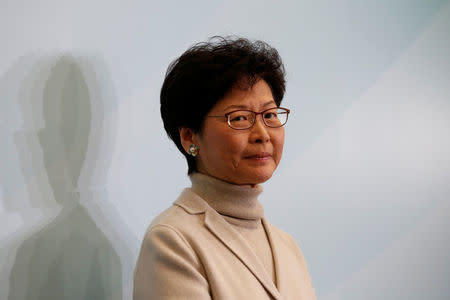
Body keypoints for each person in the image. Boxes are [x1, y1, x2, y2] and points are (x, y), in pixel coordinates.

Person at [133, 36, 317, 299]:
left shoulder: (288, 247)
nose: (262, 134)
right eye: (240, 118)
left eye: (269, 115)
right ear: (190, 137)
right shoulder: (173, 241)